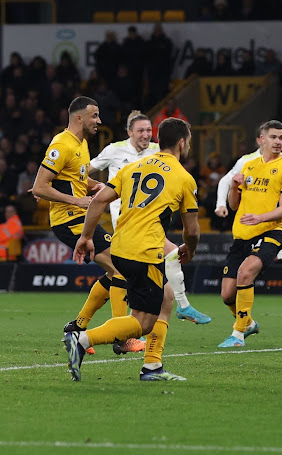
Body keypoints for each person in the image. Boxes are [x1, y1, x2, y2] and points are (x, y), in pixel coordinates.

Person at [64, 117, 200, 381]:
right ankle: (81, 339)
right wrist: (189, 249)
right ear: (182, 143)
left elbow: (98, 200)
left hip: (120, 246)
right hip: (145, 251)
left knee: (166, 297)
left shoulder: (134, 167)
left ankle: (152, 367)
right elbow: (192, 230)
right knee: (143, 322)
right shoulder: (184, 178)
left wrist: (86, 237)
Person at [32, 97, 136, 356]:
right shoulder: (61, 144)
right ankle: (121, 337)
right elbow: (39, 187)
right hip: (69, 220)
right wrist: (76, 199)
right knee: (121, 269)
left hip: (82, 217)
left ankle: (76, 327)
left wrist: (95, 186)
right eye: (95, 116)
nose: (99, 121)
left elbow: (76, 177)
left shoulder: (82, 144)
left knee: (116, 271)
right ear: (79, 118)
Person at [89, 110, 211, 324]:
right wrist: (93, 187)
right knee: (148, 281)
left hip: (143, 226)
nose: (145, 135)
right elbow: (84, 171)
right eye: (140, 131)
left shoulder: (158, 151)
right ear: (129, 133)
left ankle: (95, 329)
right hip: (130, 225)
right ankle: (105, 333)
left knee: (151, 291)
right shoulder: (114, 150)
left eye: (149, 130)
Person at [215, 126, 282, 332]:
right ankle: (246, 322)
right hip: (248, 228)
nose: (277, 141)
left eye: (281, 137)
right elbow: (227, 180)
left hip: (277, 225)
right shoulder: (246, 161)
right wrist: (220, 204)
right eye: (273, 137)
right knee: (231, 289)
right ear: (260, 139)